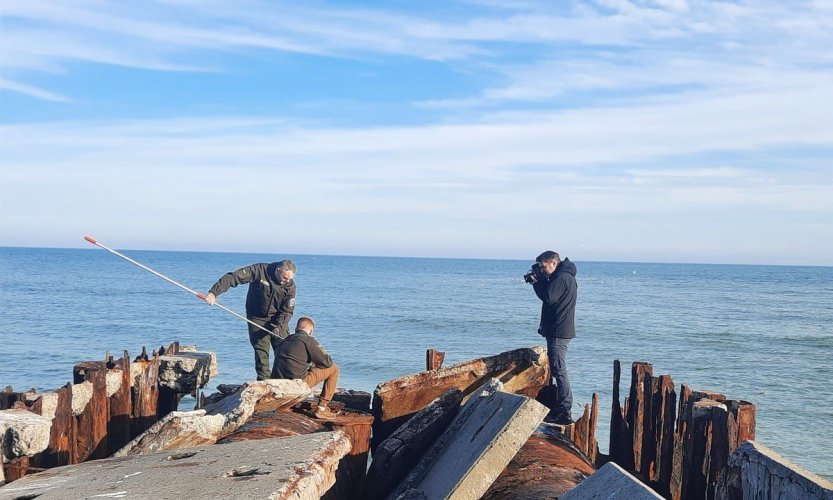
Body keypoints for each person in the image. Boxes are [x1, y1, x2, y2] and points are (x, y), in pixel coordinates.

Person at [205, 259, 296, 381]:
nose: (286, 281)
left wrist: (278, 326)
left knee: (285, 351)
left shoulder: (290, 286)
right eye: (285, 277)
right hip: (256, 318)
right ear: (278, 270)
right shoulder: (259, 270)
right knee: (261, 353)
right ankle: (264, 382)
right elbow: (233, 277)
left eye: (289, 279)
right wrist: (213, 293)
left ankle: (286, 381)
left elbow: (287, 310)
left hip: (278, 319)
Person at [531, 250, 578, 425]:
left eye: (543, 267)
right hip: (558, 330)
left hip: (559, 332)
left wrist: (537, 282)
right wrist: (542, 280)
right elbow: (551, 297)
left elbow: (549, 297)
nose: (542, 270)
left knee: (559, 370)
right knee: (558, 369)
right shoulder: (563, 276)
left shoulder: (562, 277)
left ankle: (564, 411)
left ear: (553, 263)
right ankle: (562, 408)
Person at [272, 317, 340, 419]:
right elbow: (327, 362)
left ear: (296, 329)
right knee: (334, 369)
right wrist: (315, 363)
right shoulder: (308, 340)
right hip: (296, 383)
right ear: (311, 331)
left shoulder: (285, 340)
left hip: (278, 383)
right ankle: (322, 408)